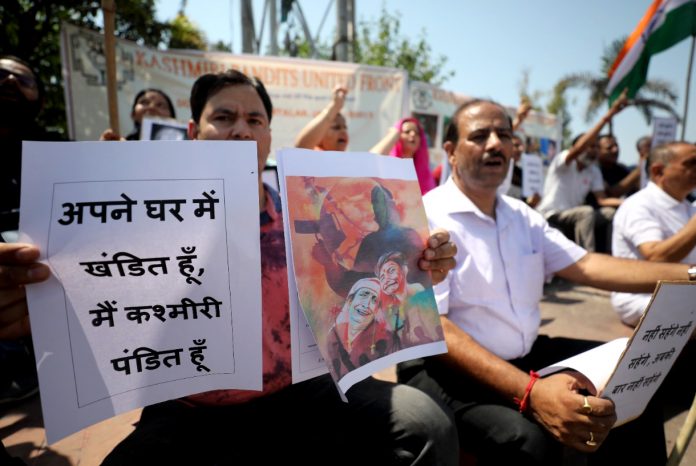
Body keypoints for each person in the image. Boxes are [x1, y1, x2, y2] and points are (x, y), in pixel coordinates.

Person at [0, 69, 459, 465]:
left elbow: (362, 285)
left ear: (268, 137)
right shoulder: (136, 220)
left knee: (424, 424)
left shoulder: (308, 225)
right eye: (223, 117)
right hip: (190, 409)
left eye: (254, 120)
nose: (241, 130)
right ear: (193, 132)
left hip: (304, 393)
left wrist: (419, 266)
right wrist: (39, 291)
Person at [399, 98, 690, 465]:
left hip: (524, 355)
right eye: (480, 136)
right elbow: (436, 330)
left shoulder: (521, 215)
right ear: (451, 151)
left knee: (630, 385)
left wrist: (690, 276)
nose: (495, 144)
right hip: (445, 370)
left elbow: (588, 265)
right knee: (529, 441)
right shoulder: (427, 216)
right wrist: (532, 393)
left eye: (503, 134)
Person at [611, 142, 696, 325]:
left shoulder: (689, 208)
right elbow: (657, 258)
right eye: (691, 163)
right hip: (643, 298)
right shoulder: (639, 205)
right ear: (658, 171)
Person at [536, 93, 629, 252]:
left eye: (595, 147)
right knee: (586, 212)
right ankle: (589, 259)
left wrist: (627, 203)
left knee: (609, 213)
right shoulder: (563, 161)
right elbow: (579, 148)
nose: (592, 151)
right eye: (589, 146)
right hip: (552, 214)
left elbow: (603, 201)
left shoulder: (593, 171)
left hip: (573, 214)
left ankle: (613, 256)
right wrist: (607, 117)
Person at [326, 278, 395, 379]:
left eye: (374, 300)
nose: (366, 305)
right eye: (363, 295)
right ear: (350, 301)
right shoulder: (333, 337)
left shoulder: (386, 339)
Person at [375, 251, 442, 348]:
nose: (386, 279)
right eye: (382, 277)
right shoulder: (390, 311)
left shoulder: (421, 294)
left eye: (391, 271)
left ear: (404, 270)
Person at [100, 88, 176, 141]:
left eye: (160, 105)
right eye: (145, 102)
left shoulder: (184, 147)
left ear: (172, 116)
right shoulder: (119, 146)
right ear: (133, 114)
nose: (152, 107)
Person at [295, 85, 350, 151]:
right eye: (336, 127)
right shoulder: (313, 156)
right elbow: (300, 149)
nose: (343, 131)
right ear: (319, 137)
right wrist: (335, 106)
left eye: (345, 127)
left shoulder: (351, 159)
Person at [388, 118, 436, 194]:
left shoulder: (425, 172)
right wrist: (394, 134)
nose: (413, 134)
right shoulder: (387, 165)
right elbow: (371, 159)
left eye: (417, 133)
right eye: (407, 132)